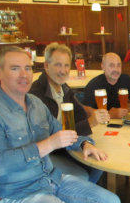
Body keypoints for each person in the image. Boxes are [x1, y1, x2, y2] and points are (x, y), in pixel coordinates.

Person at [0, 46, 121, 203]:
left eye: (27, 68)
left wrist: (84, 145)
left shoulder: (35, 104)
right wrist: (46, 145)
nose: (23, 75)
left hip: (51, 179)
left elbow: (61, 132)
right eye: (14, 68)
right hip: (17, 196)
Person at [30, 42, 104, 183]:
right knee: (85, 173)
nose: (63, 70)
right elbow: (52, 135)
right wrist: (89, 123)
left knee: (98, 162)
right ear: (46, 66)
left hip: (67, 145)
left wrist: (89, 122)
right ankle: (75, 196)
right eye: (58, 65)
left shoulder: (64, 89)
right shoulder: (36, 95)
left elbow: (80, 115)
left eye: (66, 65)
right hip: (49, 153)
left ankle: (82, 196)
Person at [83, 52, 130, 119]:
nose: (116, 69)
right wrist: (110, 114)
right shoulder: (93, 85)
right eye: (111, 65)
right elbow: (85, 111)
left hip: (123, 123)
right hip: (102, 125)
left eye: (118, 65)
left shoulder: (126, 79)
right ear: (103, 67)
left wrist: (124, 111)